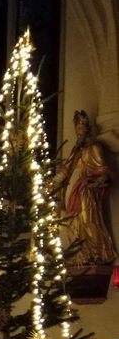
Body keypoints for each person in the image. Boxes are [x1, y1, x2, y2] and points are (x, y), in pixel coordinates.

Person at [50, 110, 117, 268]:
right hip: (73, 189)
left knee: (88, 220)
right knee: (72, 221)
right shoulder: (76, 151)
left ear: (87, 129)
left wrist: (101, 179)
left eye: (80, 129)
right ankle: (79, 252)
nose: (78, 133)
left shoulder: (94, 147)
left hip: (86, 190)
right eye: (77, 130)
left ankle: (95, 253)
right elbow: (66, 169)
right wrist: (53, 182)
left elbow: (103, 169)